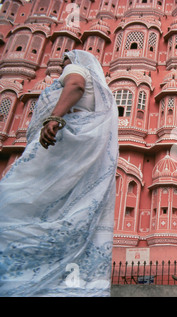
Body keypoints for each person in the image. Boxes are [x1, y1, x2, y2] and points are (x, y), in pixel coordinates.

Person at [0, 50, 119, 296]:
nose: (59, 64)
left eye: (64, 60)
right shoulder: (99, 93)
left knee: (15, 200)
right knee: (71, 214)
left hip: (57, 146)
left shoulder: (75, 71)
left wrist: (54, 117)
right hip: (77, 155)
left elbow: (75, 85)